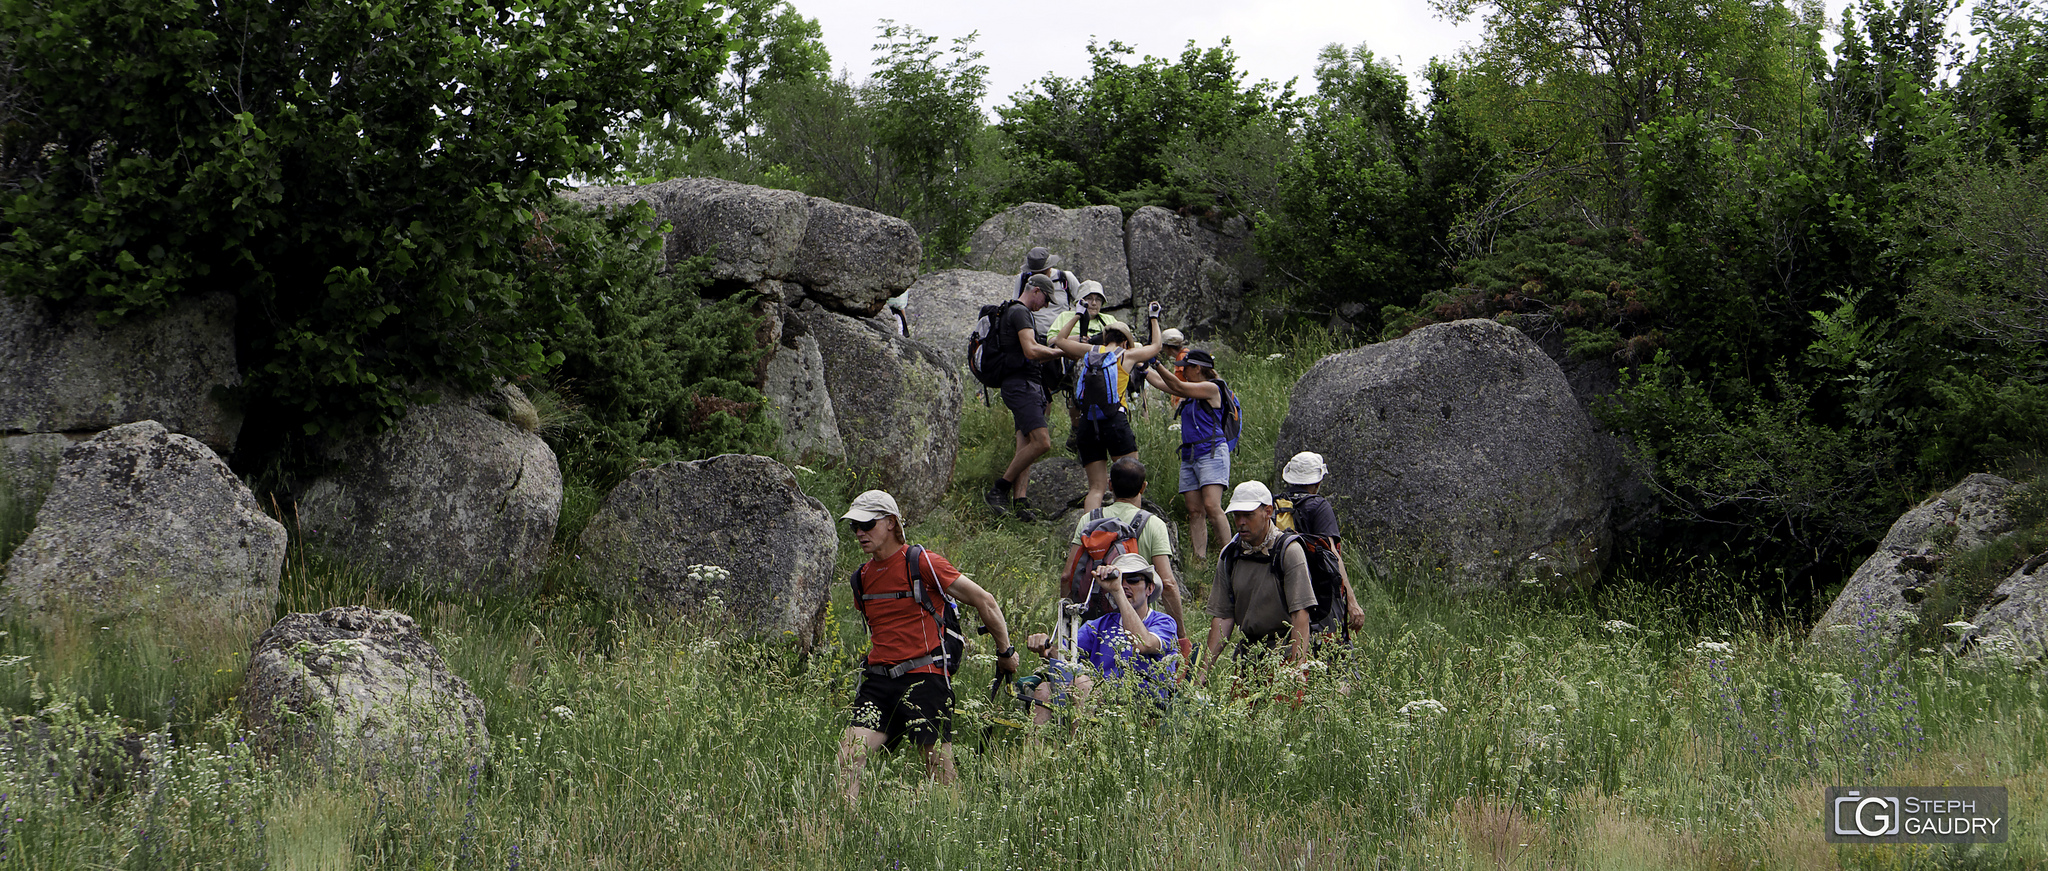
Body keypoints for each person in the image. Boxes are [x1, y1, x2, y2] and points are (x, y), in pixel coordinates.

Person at [837, 490, 1020, 801]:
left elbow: (984, 600)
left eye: (867, 525)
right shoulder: (862, 578)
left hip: (926, 676)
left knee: (938, 768)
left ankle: (952, 829)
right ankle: (843, 836)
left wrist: (1005, 652)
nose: (859, 533)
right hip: (878, 681)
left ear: (891, 522)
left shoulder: (922, 562)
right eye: (855, 526)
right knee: (847, 759)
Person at [1022, 552, 1179, 723]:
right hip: (1099, 698)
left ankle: (1079, 748)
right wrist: (1046, 647)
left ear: (1150, 588)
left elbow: (1143, 644)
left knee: (1080, 683)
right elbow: (1065, 658)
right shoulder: (1099, 624)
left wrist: (1118, 590)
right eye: (1120, 579)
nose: (1125, 585)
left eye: (1133, 579)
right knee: (1044, 690)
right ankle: (1037, 749)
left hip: (1142, 705)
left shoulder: (1164, 622)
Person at [1196, 481, 1316, 685]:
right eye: (1236, 515)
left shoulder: (1289, 551)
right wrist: (1202, 673)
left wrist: (1296, 669)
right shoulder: (1230, 555)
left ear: (1268, 511)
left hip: (1285, 652)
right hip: (1248, 657)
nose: (1241, 522)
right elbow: (1223, 616)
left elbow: (1300, 613)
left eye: (1248, 515)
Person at [1055, 457, 1188, 641]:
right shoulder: (1153, 524)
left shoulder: (1089, 520)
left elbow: (1067, 576)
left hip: (1091, 623)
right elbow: (1168, 583)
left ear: (1110, 485)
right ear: (1143, 487)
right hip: (1139, 625)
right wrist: (1180, 634)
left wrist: (1067, 625)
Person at [1053, 302, 1164, 510]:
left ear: (1106, 339)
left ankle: (1091, 535)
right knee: (1132, 483)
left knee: (1096, 488)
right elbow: (1157, 347)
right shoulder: (1127, 355)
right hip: (1115, 421)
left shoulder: (1090, 351)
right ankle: (1130, 534)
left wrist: (1078, 315)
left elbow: (1059, 340)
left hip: (1087, 422)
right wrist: (1153, 317)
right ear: (1124, 342)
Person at [985, 274, 1069, 521]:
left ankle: (1020, 502)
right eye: (1045, 299)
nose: (1045, 305)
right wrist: (1061, 352)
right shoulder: (1020, 312)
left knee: (1027, 444)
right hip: (1021, 386)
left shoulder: (1017, 312)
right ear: (1034, 291)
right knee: (1042, 442)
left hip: (1027, 385)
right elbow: (1031, 351)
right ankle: (998, 490)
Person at [1149, 348, 1232, 560]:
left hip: (1211, 452)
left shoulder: (1212, 388)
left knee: (1212, 506)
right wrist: (1142, 366)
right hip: (1190, 456)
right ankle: (1200, 560)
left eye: (1186, 367)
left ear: (1197, 368)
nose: (1182, 370)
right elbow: (1161, 383)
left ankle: (1230, 557)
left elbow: (1175, 385)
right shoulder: (1189, 392)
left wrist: (1156, 363)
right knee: (1195, 511)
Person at [1278, 451, 1367, 634]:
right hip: (1318, 593)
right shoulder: (1318, 506)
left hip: (1281, 589)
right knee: (1334, 651)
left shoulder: (1277, 504)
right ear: (1317, 482)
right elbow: (1332, 554)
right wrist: (1352, 602)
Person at [1013, 246, 1080, 336]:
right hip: (1033, 336)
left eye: (1043, 273)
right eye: (1035, 274)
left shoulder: (1065, 278)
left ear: (1050, 267)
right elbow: (1016, 307)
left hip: (1061, 338)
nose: (1040, 277)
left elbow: (1083, 304)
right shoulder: (1022, 279)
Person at [1129, 327, 1185, 419]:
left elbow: (1182, 384)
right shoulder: (1184, 356)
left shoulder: (1183, 358)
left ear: (1166, 346)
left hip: (1181, 403)